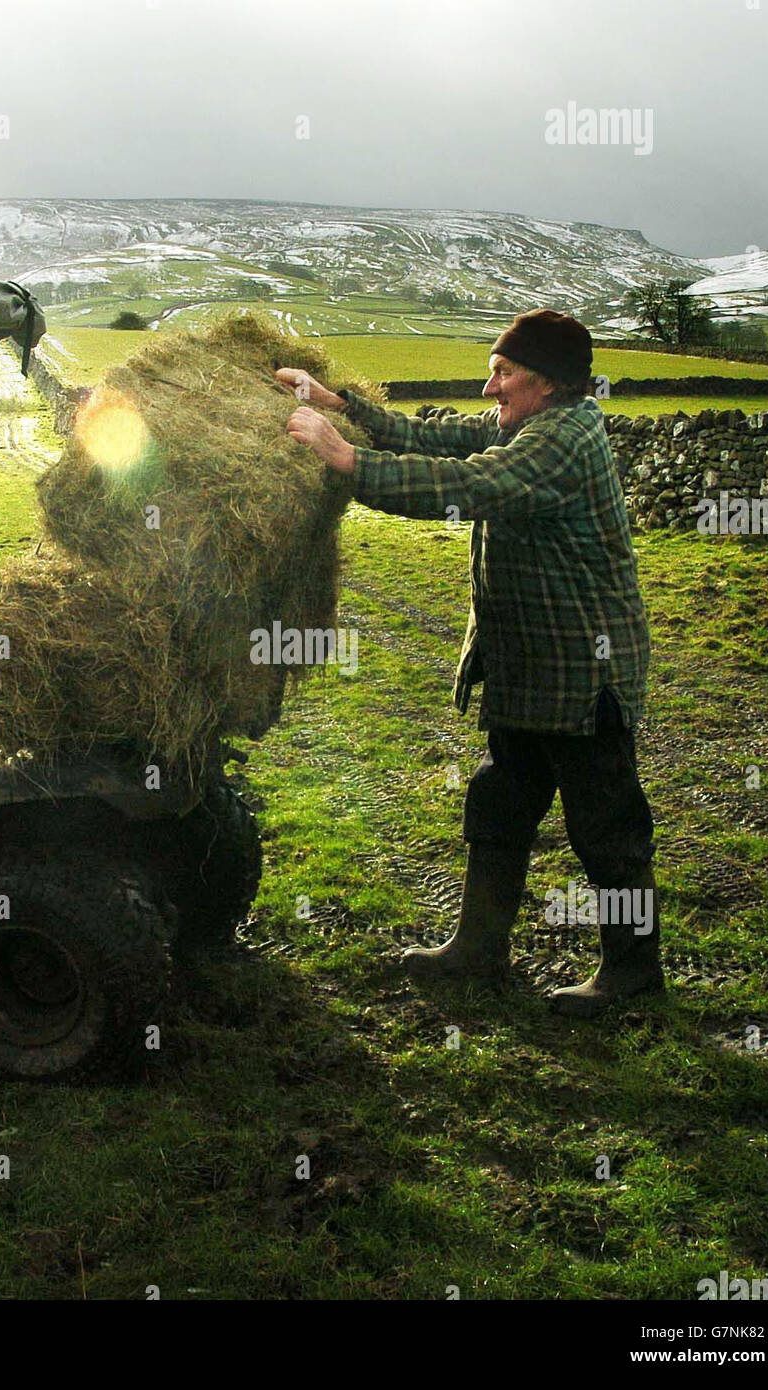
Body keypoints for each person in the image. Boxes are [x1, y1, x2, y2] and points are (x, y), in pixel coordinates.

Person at [275, 309, 662, 1018]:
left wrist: (345, 459)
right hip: (526, 667)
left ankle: (632, 972)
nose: (489, 388)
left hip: (582, 675)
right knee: (499, 804)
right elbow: (438, 436)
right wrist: (340, 406)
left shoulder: (563, 442)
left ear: (546, 384)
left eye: (503, 371)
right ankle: (478, 946)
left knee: (607, 831)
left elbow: (471, 486)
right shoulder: (529, 424)